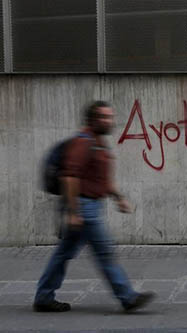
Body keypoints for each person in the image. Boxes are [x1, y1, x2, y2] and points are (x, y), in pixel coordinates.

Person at [33, 101, 155, 312]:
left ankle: (44, 296)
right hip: (83, 207)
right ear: (92, 119)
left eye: (110, 117)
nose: (110, 121)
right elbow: (70, 177)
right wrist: (73, 212)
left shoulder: (98, 143)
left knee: (63, 254)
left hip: (88, 206)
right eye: (104, 117)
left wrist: (118, 198)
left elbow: (101, 181)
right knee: (105, 250)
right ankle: (127, 297)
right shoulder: (84, 143)